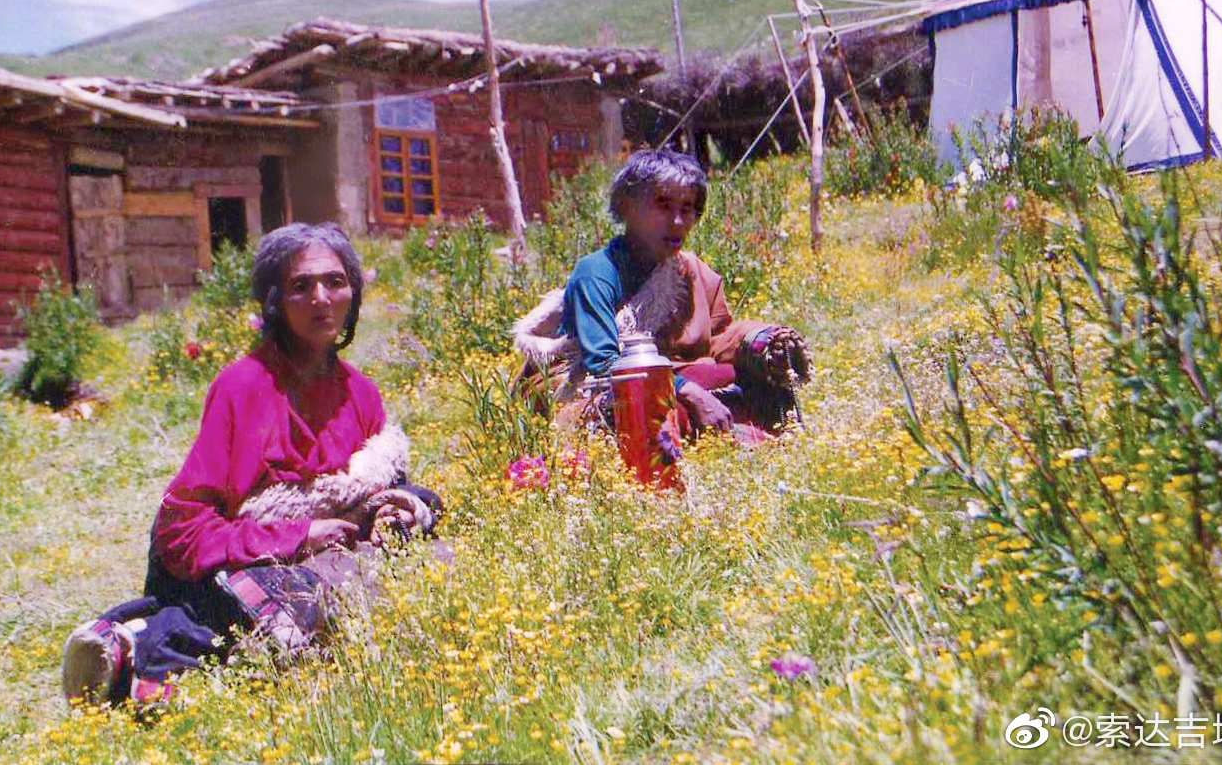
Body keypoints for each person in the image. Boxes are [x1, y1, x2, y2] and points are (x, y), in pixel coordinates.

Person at [63, 222, 437, 705]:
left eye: (335, 282)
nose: (322, 298)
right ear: (276, 301)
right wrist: (299, 535)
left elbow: (378, 488)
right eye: (301, 286)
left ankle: (156, 645)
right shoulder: (243, 389)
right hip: (239, 561)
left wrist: (391, 510)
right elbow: (182, 533)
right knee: (282, 597)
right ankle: (136, 647)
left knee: (424, 535)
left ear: (354, 293)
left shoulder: (360, 393)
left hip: (333, 555)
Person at [515, 148, 812, 447]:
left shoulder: (690, 270)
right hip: (592, 383)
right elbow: (605, 365)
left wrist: (760, 340)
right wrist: (688, 390)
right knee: (651, 406)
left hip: (667, 371)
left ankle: (749, 436)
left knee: (758, 378)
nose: (678, 221)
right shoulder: (596, 273)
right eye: (663, 206)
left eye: (687, 209)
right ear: (628, 206)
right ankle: (718, 436)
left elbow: (719, 337)